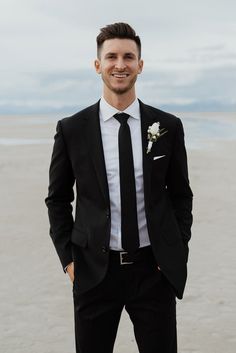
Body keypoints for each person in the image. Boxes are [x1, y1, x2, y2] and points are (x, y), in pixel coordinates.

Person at [45, 22, 193, 353]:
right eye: (111, 56)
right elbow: (57, 199)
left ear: (140, 64)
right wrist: (69, 260)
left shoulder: (166, 126)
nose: (120, 64)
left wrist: (176, 249)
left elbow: (181, 195)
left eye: (129, 56)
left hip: (153, 270)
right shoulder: (72, 129)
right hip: (94, 272)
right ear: (98, 65)